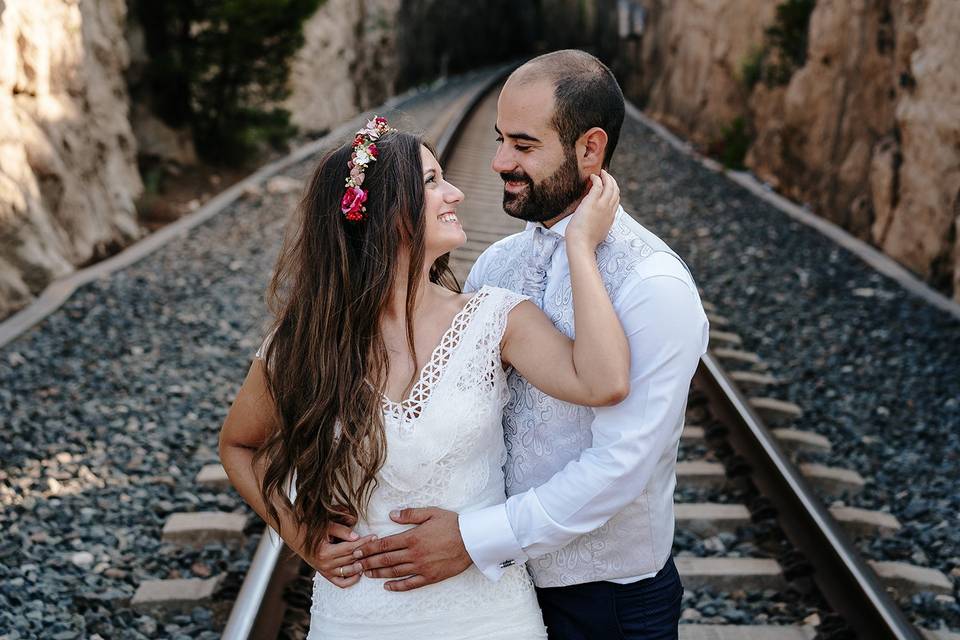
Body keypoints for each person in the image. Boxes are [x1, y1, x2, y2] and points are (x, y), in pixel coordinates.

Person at [218, 113, 630, 639]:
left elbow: (604, 382)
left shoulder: (495, 319)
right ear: (386, 212)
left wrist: (580, 246)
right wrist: (301, 536)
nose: (455, 192)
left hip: (486, 617)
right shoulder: (303, 343)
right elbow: (239, 445)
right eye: (433, 182)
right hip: (355, 618)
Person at [353, 50, 710, 640]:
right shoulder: (498, 262)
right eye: (499, 140)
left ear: (589, 150)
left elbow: (620, 468)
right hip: (494, 595)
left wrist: (472, 538)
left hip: (605, 606)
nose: (497, 162)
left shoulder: (653, 285)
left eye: (523, 146)